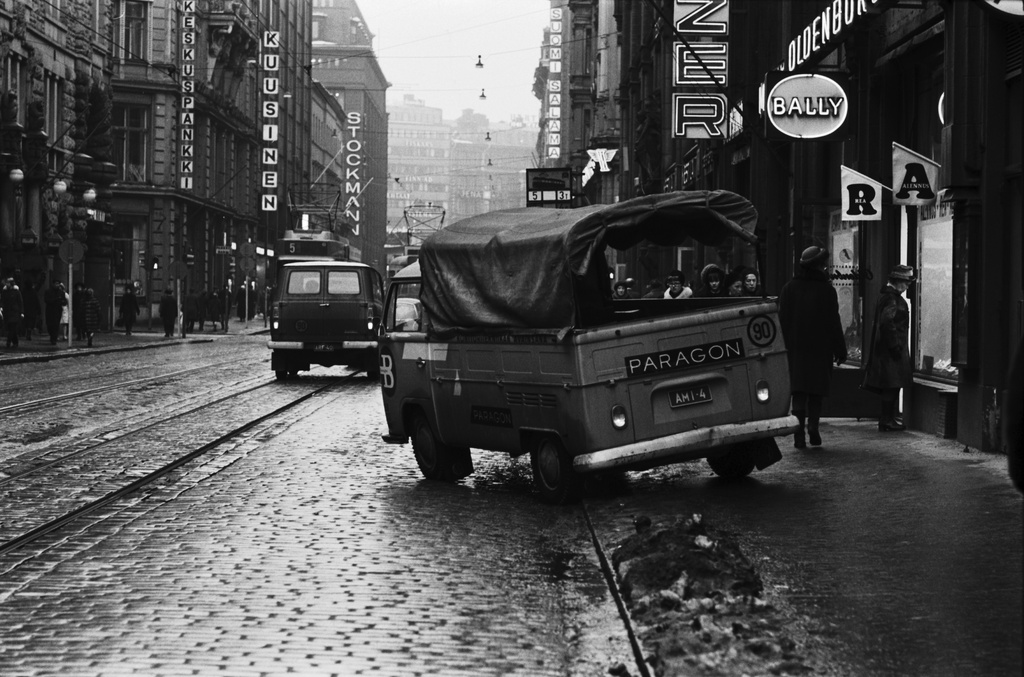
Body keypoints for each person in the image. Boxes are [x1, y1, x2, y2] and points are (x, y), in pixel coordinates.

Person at [778, 246, 848, 448]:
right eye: (823, 264)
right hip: (820, 349)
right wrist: (840, 350)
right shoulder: (826, 290)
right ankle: (813, 428)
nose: (826, 267)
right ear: (818, 266)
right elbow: (833, 322)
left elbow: (782, 322)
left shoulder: (789, 289)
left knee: (798, 392)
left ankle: (798, 434)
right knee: (816, 392)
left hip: (796, 350)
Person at [862, 264, 915, 432]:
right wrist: (895, 346)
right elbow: (887, 322)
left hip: (886, 351)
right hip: (891, 351)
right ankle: (887, 420)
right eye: (906, 282)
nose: (908, 286)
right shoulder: (893, 298)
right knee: (892, 384)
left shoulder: (886, 296)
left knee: (891, 384)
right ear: (898, 281)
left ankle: (887, 419)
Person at [1, 277, 24, 349]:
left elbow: (20, 302)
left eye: (8, 283)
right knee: (11, 328)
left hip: (15, 312)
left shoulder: (16, 291)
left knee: (12, 327)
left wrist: (21, 312)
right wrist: (1, 307)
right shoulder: (4, 291)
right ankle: (15, 342)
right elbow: (2, 300)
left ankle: (8, 342)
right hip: (7, 312)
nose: (7, 284)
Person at [43, 280, 66, 345]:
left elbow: (64, 302)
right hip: (50, 310)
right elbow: (46, 300)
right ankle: (52, 335)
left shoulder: (61, 292)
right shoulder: (48, 291)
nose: (57, 285)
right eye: (56, 284)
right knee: (49, 325)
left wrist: (62, 302)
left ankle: (54, 338)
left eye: (58, 284)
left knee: (56, 325)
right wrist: (55, 300)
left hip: (57, 311)